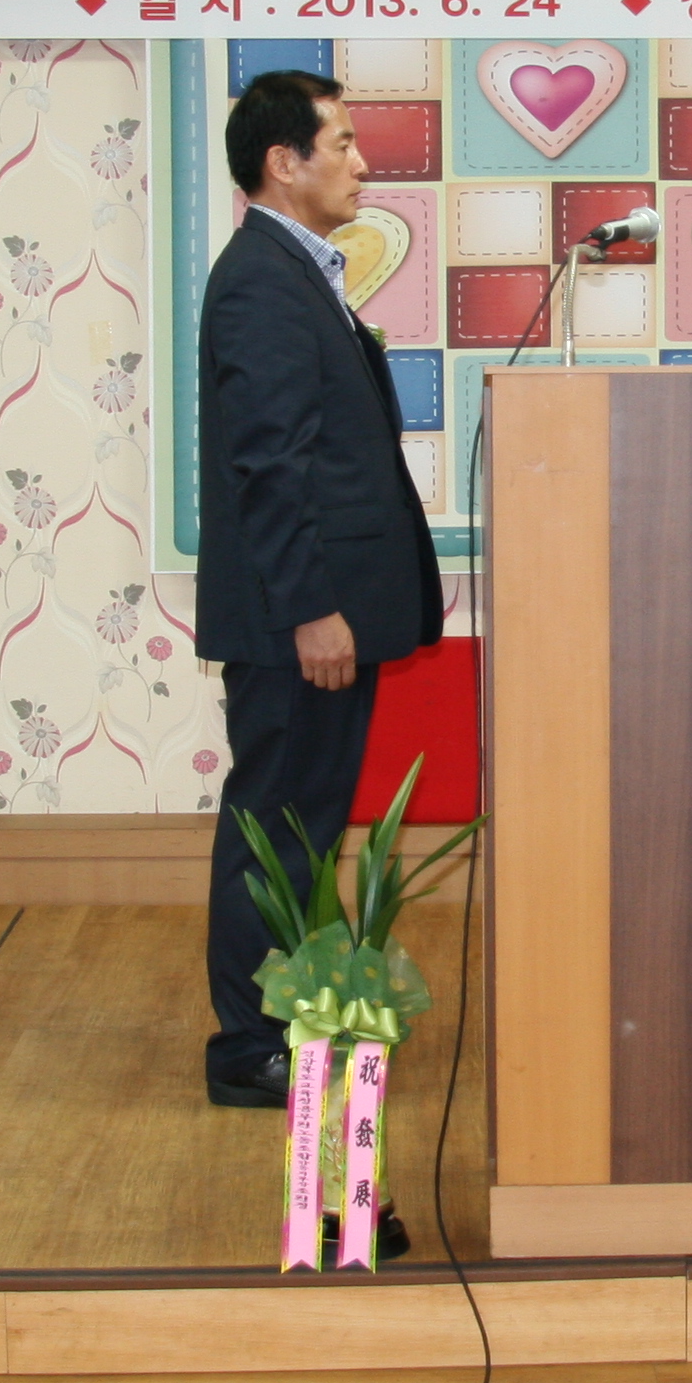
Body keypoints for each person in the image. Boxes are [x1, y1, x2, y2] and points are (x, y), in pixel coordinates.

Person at [193, 71, 444, 1109]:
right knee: (277, 826)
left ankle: (289, 1021)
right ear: (282, 162)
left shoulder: (292, 267)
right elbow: (269, 465)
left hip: (314, 608)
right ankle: (250, 1048)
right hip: (296, 617)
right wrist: (311, 608)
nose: (360, 163)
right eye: (340, 143)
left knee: (304, 826)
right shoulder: (261, 279)